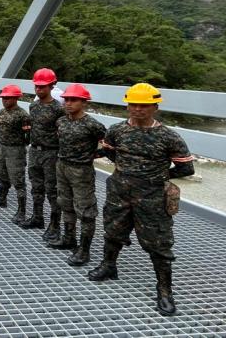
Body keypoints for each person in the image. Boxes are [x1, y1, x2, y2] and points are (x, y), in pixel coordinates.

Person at [88, 83, 194, 317]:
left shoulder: (168, 136)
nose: (138, 109)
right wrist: (127, 170)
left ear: (155, 107)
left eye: (144, 105)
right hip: (119, 191)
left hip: (152, 197)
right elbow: (110, 152)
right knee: (113, 230)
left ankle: (164, 290)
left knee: (159, 243)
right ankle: (109, 266)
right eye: (133, 104)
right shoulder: (117, 130)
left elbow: (186, 168)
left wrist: (157, 177)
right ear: (127, 105)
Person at [50, 84, 105, 266]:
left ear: (84, 102)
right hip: (62, 166)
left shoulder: (93, 125)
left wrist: (93, 155)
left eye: (74, 100)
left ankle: (84, 250)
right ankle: (69, 238)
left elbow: (108, 145)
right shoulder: (61, 121)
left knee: (86, 210)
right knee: (65, 203)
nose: (68, 103)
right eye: (66, 99)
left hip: (81, 170)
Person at [22, 68, 66, 237]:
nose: (39, 90)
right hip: (35, 151)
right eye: (37, 87)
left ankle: (55, 225)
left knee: (52, 190)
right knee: (36, 186)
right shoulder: (33, 106)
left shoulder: (58, 109)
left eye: (43, 87)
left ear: (52, 86)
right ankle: (37, 217)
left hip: (51, 153)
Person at [0, 85, 31, 225]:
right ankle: (1, 198)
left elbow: (28, 135)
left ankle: (21, 210)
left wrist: (20, 145)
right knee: (1, 173)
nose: (5, 100)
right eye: (3, 98)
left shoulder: (23, 115)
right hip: (2, 147)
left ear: (16, 98)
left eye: (8, 98)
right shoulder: (1, 113)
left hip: (15, 150)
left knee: (18, 180)